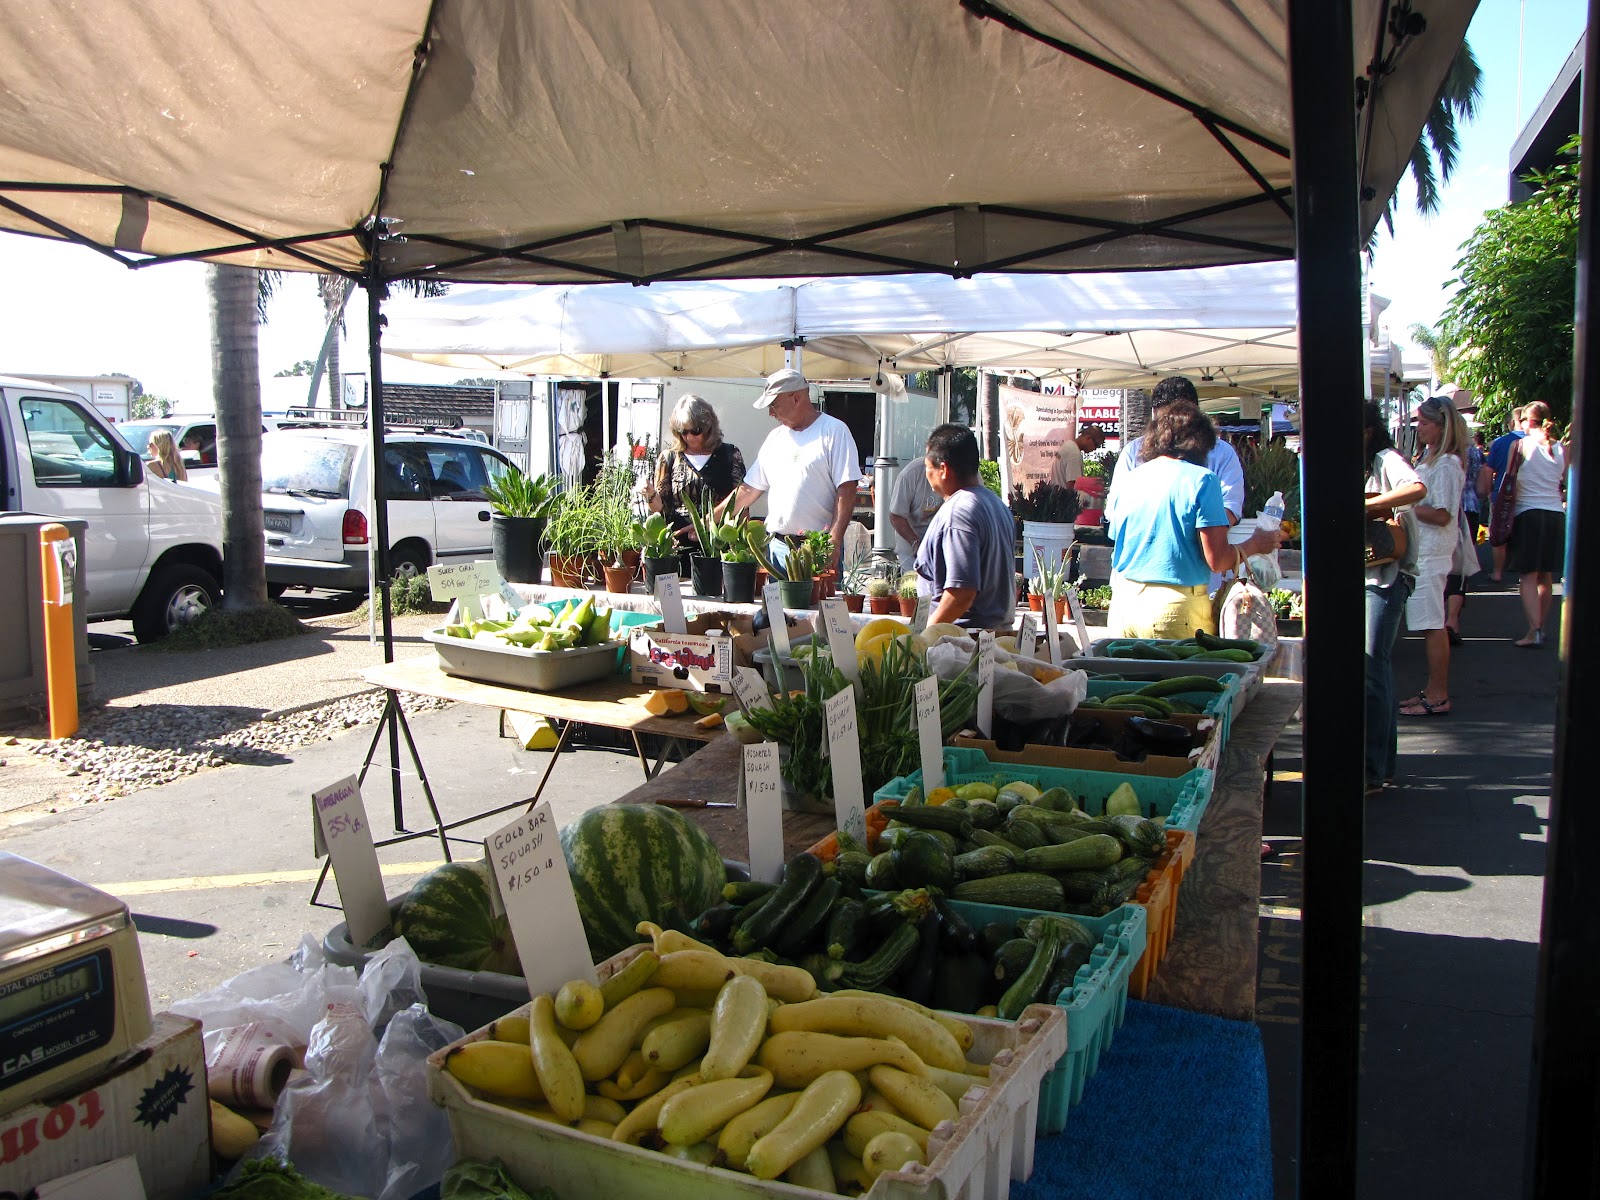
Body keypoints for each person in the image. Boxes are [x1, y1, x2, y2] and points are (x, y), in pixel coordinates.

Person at [1105, 401, 1280, 640]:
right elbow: (1217, 560)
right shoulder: (1203, 480)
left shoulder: (1131, 480)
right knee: (1184, 677)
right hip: (1174, 610)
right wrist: (1255, 545)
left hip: (1123, 606)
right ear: (1202, 442)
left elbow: (1117, 540)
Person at [733, 368, 861, 573]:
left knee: (820, 605)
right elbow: (747, 491)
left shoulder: (834, 431)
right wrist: (709, 520)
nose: (771, 413)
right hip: (777, 548)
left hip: (817, 547)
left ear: (796, 398)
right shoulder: (775, 438)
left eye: (774, 405)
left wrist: (834, 541)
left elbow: (847, 489)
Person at [1363, 401, 1426, 796]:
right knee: (1376, 670)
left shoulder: (1386, 459)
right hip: (1372, 576)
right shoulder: (1366, 463)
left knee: (1372, 668)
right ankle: (1381, 765)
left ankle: (1372, 769)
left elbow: (1417, 489)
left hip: (1388, 578)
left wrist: (1367, 506)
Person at [1398, 396, 1468, 717]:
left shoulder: (1447, 465)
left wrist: (1408, 505)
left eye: (1424, 423)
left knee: (1432, 625)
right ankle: (1432, 689)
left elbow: (1443, 514)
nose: (1419, 428)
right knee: (1430, 623)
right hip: (1422, 552)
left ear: (1442, 427)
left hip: (1431, 553)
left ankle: (1439, 694)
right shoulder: (1432, 459)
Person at [913, 424, 1017, 629]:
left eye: (927, 467)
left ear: (943, 469)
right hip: (991, 636)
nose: (926, 474)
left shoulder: (958, 513)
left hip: (962, 643)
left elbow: (962, 593)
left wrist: (925, 636)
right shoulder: (995, 503)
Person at [1109, 377, 1245, 522]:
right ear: (1154, 415)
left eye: (1179, 422)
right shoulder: (1133, 451)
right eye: (1164, 422)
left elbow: (1230, 507)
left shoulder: (1220, 454)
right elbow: (1115, 510)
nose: (1171, 430)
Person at [645, 394, 745, 551]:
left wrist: (745, 545)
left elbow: (742, 501)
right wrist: (650, 494)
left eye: (696, 431)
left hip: (719, 544)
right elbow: (660, 508)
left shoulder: (730, 454)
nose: (689, 437)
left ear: (708, 428)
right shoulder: (670, 457)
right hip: (678, 544)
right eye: (683, 431)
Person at [1505, 401, 1567, 648]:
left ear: (1528, 422)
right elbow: (1563, 482)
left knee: (1528, 576)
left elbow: (1509, 480)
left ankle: (1535, 629)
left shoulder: (1519, 445)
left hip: (1527, 513)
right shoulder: (1562, 448)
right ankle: (1538, 627)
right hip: (1555, 514)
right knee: (1546, 576)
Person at [1444, 428, 1490, 644]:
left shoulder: (1436, 453)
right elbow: (1481, 487)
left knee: (1444, 564)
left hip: (1445, 511)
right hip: (1469, 508)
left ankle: (1442, 618)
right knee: (1460, 566)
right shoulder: (1474, 452)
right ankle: (1453, 620)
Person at [1485, 406, 1527, 582]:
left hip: (1503, 493)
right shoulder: (1539, 443)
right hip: (1528, 495)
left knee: (1499, 534)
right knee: (1523, 533)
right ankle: (1523, 571)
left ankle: (1498, 572)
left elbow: (1489, 471)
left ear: (1512, 422)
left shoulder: (1500, 443)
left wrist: (1488, 493)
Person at [888, 455, 942, 563]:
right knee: (913, 578)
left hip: (942, 546)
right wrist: (916, 543)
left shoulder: (966, 474)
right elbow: (896, 516)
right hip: (911, 546)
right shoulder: (910, 474)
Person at [1047, 423, 1107, 489]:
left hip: (1055, 494)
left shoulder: (1067, 445)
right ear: (1088, 438)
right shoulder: (1074, 453)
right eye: (1096, 445)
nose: (1095, 449)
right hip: (1064, 497)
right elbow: (1073, 485)